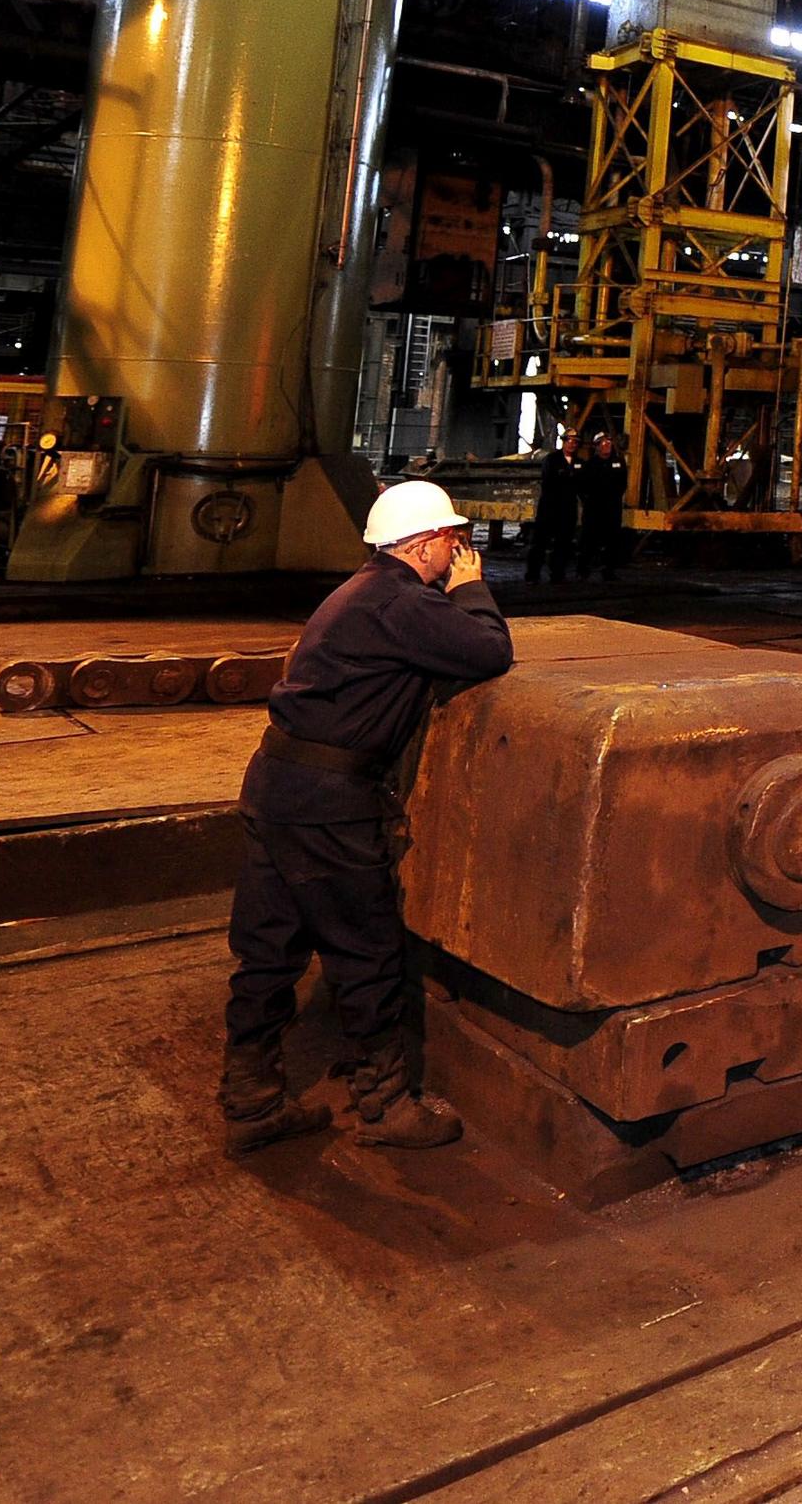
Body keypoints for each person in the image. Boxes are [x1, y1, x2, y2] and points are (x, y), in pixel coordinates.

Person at [219, 479, 513, 1154]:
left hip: (275, 787)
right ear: (424, 544)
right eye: (451, 540)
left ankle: (251, 1100)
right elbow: (490, 650)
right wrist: (470, 588)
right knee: (367, 949)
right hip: (328, 804)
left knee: (268, 948)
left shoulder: (356, 591)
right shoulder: (400, 600)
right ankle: (385, 1105)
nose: (457, 548)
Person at [571, 418, 631, 580]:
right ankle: (582, 570)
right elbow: (582, 487)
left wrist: (614, 498)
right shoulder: (590, 465)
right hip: (594, 509)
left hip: (612, 508)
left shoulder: (618, 463)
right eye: (603, 444)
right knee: (588, 540)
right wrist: (589, 501)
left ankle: (608, 570)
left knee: (611, 540)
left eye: (608, 443)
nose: (607, 446)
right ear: (596, 447)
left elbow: (622, 483)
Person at [522, 415, 578, 587]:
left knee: (563, 543)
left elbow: (582, 484)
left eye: (575, 441)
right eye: (569, 440)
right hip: (550, 508)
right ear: (563, 441)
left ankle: (558, 574)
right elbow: (549, 481)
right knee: (540, 542)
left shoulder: (580, 463)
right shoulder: (551, 460)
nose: (572, 443)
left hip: (568, 509)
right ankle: (533, 575)